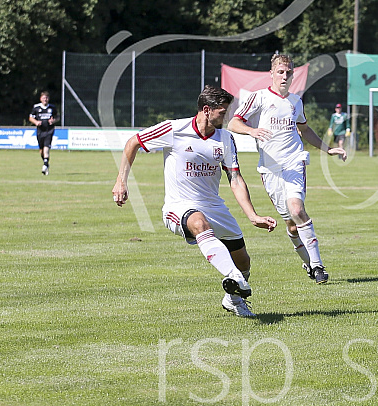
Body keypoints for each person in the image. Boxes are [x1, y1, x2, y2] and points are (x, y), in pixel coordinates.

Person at [112, 85, 277, 318]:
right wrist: (121, 181)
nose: (226, 117)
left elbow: (235, 178)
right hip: (179, 206)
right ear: (207, 110)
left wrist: (253, 215)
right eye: (222, 112)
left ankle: (233, 298)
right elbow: (133, 142)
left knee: (244, 261)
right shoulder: (174, 129)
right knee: (199, 223)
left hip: (215, 206)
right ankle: (234, 277)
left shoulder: (226, 138)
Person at [228, 54, 347, 284]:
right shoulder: (259, 98)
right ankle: (308, 264)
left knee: (297, 209)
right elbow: (234, 122)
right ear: (272, 73)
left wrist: (327, 149)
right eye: (281, 71)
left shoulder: (295, 101)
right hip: (269, 169)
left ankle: (318, 265)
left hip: (294, 162)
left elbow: (305, 129)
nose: (285, 75)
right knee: (291, 225)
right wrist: (252, 131)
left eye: (289, 71)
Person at [29, 91, 57, 175]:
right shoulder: (36, 107)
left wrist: (54, 120)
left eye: (47, 98)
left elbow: (57, 117)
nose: (45, 99)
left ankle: (44, 166)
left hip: (49, 130)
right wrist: (36, 122)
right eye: (44, 98)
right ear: (41, 99)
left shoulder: (52, 108)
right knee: (41, 151)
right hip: (40, 131)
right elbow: (30, 117)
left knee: (46, 148)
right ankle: (46, 163)